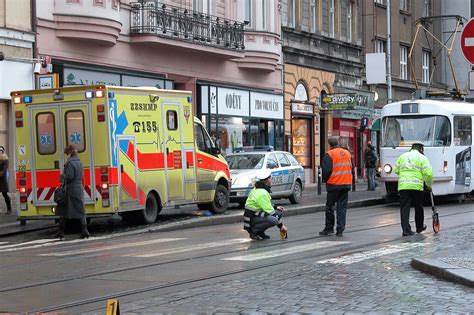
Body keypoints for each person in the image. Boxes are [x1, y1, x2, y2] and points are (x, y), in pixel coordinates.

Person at [394, 143, 432, 236]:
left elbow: (396, 170)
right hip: (417, 186)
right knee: (418, 206)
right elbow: (428, 173)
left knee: (404, 208)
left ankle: (406, 230)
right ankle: (419, 227)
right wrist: (428, 184)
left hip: (404, 186)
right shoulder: (422, 158)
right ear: (421, 149)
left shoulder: (402, 156)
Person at [319, 136, 353, 237]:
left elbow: (326, 171)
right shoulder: (347, 153)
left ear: (329, 145)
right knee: (342, 208)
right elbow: (352, 168)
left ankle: (329, 228)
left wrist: (326, 180)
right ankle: (340, 229)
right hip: (345, 184)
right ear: (338, 142)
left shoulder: (329, 154)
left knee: (330, 207)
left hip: (334, 185)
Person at [55, 144, 90, 239]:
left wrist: (62, 176)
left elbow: (70, 176)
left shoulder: (70, 163)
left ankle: (61, 231)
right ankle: (84, 230)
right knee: (79, 210)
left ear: (70, 153)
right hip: (78, 188)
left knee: (64, 210)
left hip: (71, 189)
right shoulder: (79, 162)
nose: (66, 155)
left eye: (67, 153)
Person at [243, 169, 287, 240]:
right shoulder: (262, 192)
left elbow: (266, 204)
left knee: (278, 212)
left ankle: (260, 232)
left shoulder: (259, 189)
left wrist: (276, 207)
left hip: (256, 215)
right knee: (274, 220)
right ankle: (254, 232)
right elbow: (270, 211)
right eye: (270, 178)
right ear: (267, 180)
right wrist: (281, 226)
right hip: (252, 217)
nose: (271, 179)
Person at [0, 146, 12, 215]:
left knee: (4, 194)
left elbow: (4, 170)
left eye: (1, 150)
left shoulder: (5, 159)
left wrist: (1, 174)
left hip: (3, 180)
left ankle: (9, 208)